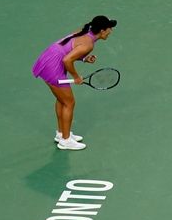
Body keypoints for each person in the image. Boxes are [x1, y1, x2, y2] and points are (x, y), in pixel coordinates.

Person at [32, 15, 117, 150]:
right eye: (109, 29)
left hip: (49, 58)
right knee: (69, 102)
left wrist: (83, 59)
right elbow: (67, 60)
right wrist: (76, 77)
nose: (110, 32)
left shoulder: (84, 31)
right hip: (53, 67)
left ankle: (61, 134)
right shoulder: (88, 44)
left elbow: (68, 49)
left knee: (62, 100)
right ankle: (66, 141)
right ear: (102, 30)